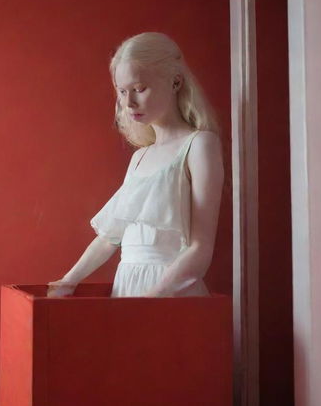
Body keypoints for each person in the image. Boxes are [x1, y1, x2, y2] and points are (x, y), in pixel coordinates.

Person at [47, 32, 224, 298]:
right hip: (127, 289)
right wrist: (69, 280)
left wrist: (149, 302)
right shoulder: (140, 157)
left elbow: (200, 248)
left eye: (140, 89)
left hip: (170, 294)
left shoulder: (199, 145)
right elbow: (111, 236)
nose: (129, 103)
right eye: (122, 91)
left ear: (175, 82)